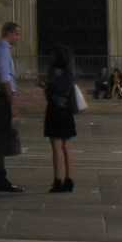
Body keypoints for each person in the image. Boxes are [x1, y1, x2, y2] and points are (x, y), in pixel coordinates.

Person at [0, 23, 23, 192]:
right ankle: (0, 179)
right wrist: (11, 103)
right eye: (17, 34)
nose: (18, 38)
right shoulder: (2, 51)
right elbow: (3, 79)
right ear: (8, 33)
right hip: (0, 98)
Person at [43, 46, 80, 193]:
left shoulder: (54, 73)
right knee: (68, 145)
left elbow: (50, 92)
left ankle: (57, 180)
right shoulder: (70, 73)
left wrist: (46, 86)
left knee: (57, 147)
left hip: (55, 110)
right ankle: (69, 179)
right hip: (67, 110)